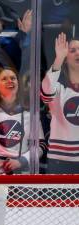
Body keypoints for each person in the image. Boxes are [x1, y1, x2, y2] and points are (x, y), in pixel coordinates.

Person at [0, 67, 44, 174]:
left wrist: (21, 161)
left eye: (13, 78)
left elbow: (40, 146)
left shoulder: (31, 116)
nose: (10, 81)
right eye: (4, 79)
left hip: (20, 175)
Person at [41, 33, 79, 174]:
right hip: (59, 160)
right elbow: (45, 93)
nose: (78, 53)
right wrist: (58, 58)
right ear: (66, 58)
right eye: (72, 50)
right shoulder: (58, 88)